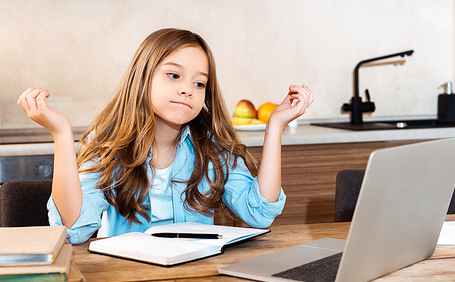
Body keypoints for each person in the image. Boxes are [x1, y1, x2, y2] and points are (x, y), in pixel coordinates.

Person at [17, 28, 313, 244]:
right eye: (174, 76)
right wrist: (61, 134)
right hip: (126, 278)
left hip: (196, 278)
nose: (187, 89)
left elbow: (259, 213)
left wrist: (275, 127)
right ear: (142, 78)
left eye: (199, 83)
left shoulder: (211, 147)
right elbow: (74, 228)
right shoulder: (109, 144)